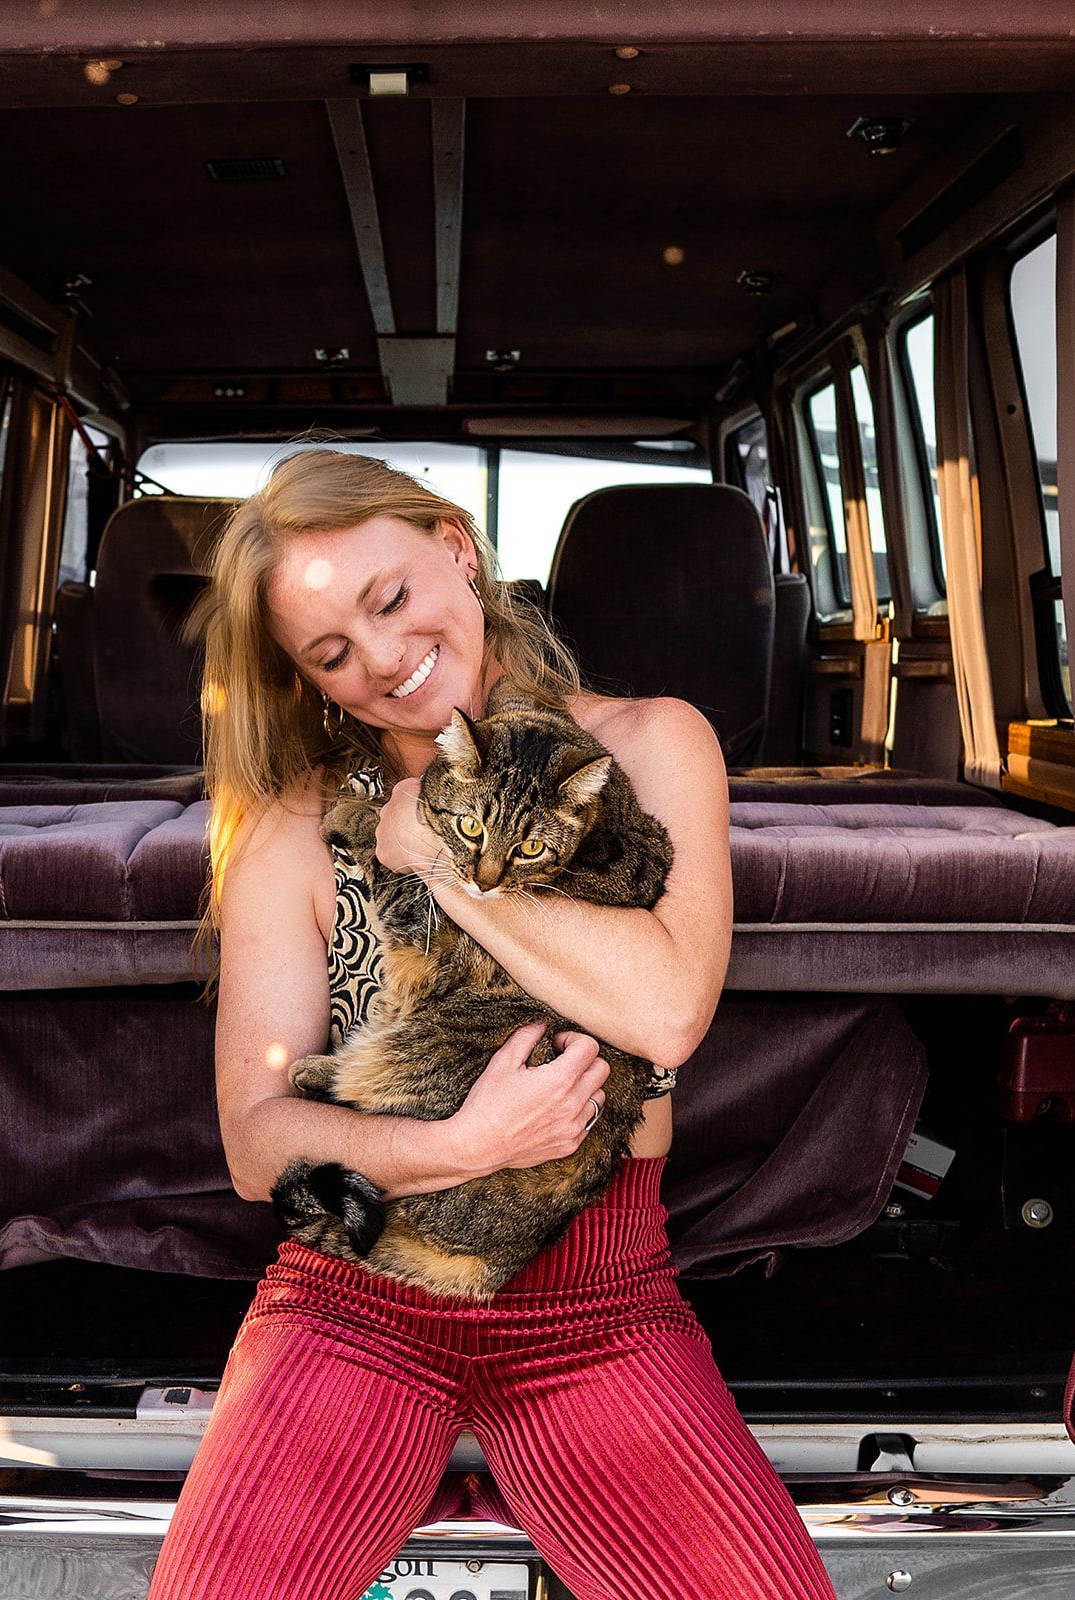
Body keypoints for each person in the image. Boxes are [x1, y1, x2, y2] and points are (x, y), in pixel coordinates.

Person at [146, 449, 836, 1600]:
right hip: (353, 1293)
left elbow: (664, 1013)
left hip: (598, 1303)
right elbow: (258, 1142)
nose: (383, 661)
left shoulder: (654, 742)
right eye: (331, 652)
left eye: (390, 599)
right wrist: (455, 1147)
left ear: (456, 550)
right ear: (310, 680)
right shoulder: (290, 826)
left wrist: (446, 854)